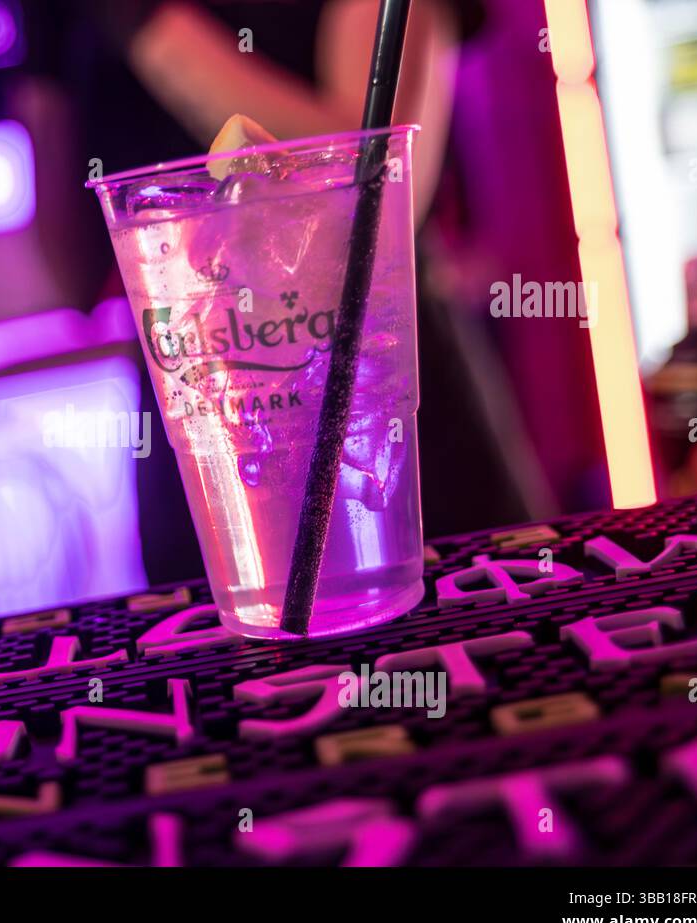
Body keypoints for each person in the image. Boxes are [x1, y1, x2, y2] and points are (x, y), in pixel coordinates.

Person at [28, 0, 532, 582]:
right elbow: (66, 277)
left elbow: (376, 189)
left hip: (380, 425)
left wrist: (150, 29)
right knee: (231, 660)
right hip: (205, 431)